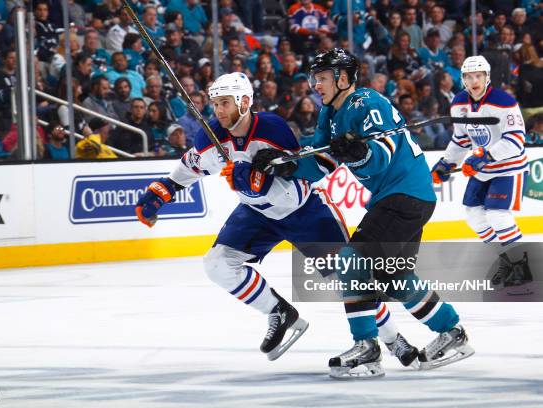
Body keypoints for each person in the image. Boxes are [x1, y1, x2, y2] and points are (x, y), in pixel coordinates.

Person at [135, 72, 412, 363]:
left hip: (305, 211)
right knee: (217, 264)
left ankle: (393, 339)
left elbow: (297, 177)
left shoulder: (272, 128)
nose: (218, 110)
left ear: (244, 101)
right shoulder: (211, 135)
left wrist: (252, 179)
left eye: (225, 103)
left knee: (350, 277)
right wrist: (159, 193)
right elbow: (190, 166)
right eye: (215, 103)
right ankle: (279, 312)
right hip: (256, 214)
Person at [293, 48, 474, 378]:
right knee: (393, 276)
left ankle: (367, 347)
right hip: (402, 197)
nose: (315, 85)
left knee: (351, 262)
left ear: (343, 78)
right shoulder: (328, 116)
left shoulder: (368, 103)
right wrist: (283, 165)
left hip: (404, 194)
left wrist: (360, 150)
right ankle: (452, 332)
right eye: (313, 79)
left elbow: (383, 155)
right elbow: (320, 164)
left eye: (321, 79)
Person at [431, 56, 529, 288]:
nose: (474, 81)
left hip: (508, 167)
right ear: (463, 80)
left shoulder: (504, 102)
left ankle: (521, 266)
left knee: (497, 216)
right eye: (468, 77)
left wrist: (485, 156)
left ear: (487, 77)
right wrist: (446, 162)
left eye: (478, 76)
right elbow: (462, 138)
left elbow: (516, 139)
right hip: (482, 170)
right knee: (475, 218)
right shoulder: (459, 103)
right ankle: (506, 262)